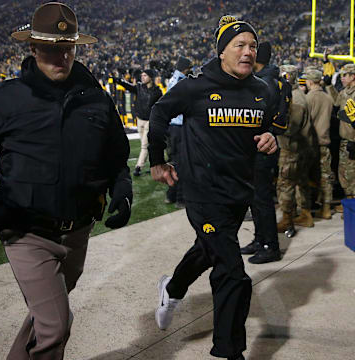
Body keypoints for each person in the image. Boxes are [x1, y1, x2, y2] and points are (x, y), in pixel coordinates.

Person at [0, 3, 132, 359]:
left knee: (44, 321)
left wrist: (123, 191)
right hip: (26, 231)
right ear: (33, 47)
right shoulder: (7, 98)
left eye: (67, 47)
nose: (61, 56)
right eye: (52, 48)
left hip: (78, 232)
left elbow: (117, 157)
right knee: (56, 325)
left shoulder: (97, 100)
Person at [148, 15, 277, 360]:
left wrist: (270, 138)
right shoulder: (196, 86)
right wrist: (158, 160)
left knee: (208, 250)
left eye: (252, 45)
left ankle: (171, 289)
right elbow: (159, 113)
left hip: (238, 195)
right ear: (222, 52)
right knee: (233, 273)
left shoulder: (262, 92)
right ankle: (228, 352)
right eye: (240, 45)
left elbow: (264, 134)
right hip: (203, 194)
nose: (248, 51)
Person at [240, 41, 287, 264]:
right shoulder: (265, 79)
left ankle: (270, 246)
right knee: (255, 199)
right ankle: (260, 240)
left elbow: (260, 117)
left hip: (262, 148)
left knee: (262, 200)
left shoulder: (265, 83)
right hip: (256, 148)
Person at [276, 65, 315, 232]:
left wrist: (275, 124)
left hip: (292, 148)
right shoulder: (294, 94)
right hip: (299, 147)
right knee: (301, 182)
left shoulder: (295, 98)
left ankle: (287, 219)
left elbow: (292, 128)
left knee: (285, 183)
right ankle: (305, 214)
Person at [114, 68, 162, 176]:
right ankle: (154, 163)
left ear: (150, 77)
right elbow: (129, 86)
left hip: (150, 121)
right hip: (140, 120)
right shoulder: (139, 87)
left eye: (145, 75)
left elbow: (161, 107)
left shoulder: (157, 91)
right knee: (145, 144)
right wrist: (120, 81)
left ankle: (138, 167)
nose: (142, 77)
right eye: (142, 75)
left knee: (144, 145)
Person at [304, 68, 334, 220]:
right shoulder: (328, 98)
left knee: (307, 177)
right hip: (325, 142)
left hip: (311, 144)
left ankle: (306, 210)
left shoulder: (309, 98)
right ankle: (326, 208)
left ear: (310, 81)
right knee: (325, 177)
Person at [326, 63, 355, 210]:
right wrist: (329, 86)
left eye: (345, 75)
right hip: (345, 140)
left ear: (352, 76)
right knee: (344, 173)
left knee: (351, 174)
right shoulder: (345, 92)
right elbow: (336, 101)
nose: (342, 78)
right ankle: (349, 203)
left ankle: (352, 207)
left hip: (352, 141)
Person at [164, 55, 192, 208]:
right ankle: (180, 198)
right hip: (180, 128)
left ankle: (171, 195)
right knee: (182, 163)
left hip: (172, 128)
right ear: (185, 69)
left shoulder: (172, 81)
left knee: (173, 162)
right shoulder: (182, 82)